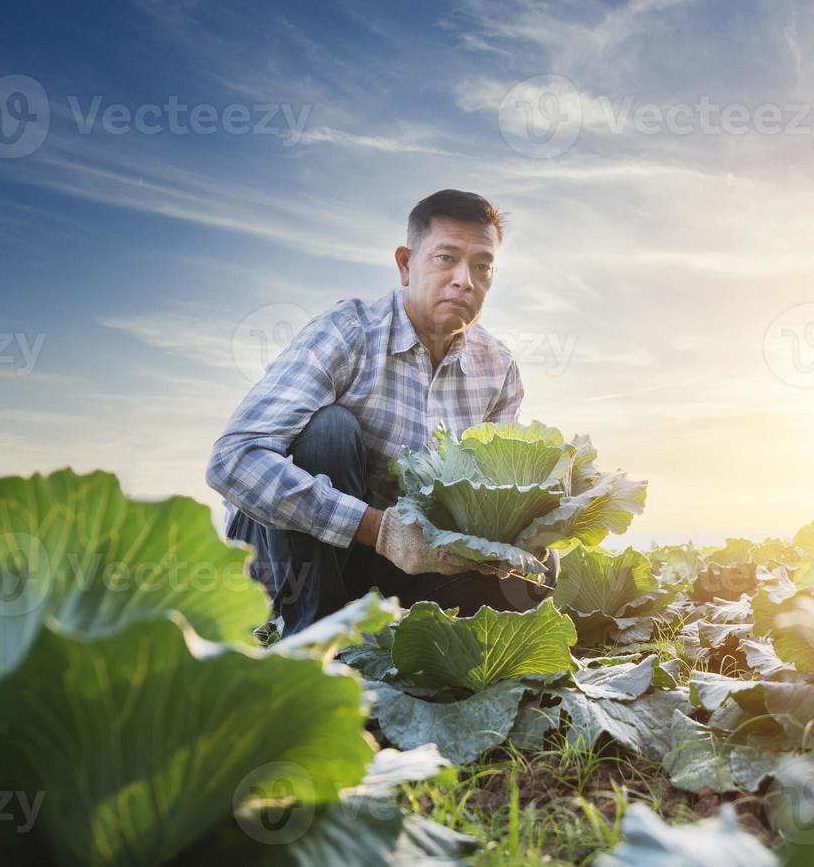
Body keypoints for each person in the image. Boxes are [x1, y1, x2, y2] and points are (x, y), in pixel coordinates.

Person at [205, 189, 557, 632]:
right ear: (406, 265)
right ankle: (313, 634)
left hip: (398, 559)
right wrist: (377, 529)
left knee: (533, 578)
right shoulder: (348, 333)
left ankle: (385, 622)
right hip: (285, 557)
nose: (465, 280)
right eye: (446, 258)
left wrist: (514, 537)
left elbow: (493, 494)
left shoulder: (498, 367)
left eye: (482, 266)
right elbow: (232, 460)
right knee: (330, 431)